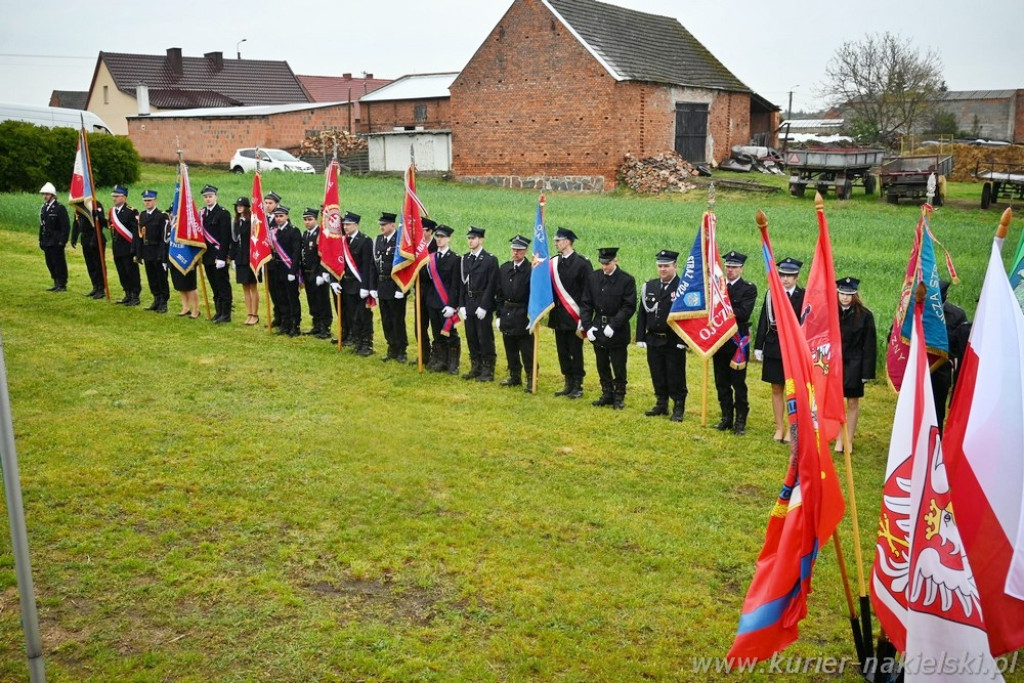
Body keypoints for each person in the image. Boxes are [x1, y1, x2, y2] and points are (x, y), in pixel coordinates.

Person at [754, 257, 805, 443]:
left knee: (795, 390)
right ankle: (779, 427)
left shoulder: (804, 295)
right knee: (776, 387)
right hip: (775, 345)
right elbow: (763, 321)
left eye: (790, 276)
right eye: (782, 275)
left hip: (795, 348)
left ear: (797, 277)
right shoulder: (772, 294)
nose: (786, 279)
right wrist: (759, 345)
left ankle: (794, 428)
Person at [580, 247, 637, 409]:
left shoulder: (626, 280)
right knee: (601, 363)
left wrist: (614, 325)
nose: (605, 267)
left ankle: (619, 396)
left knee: (618, 364)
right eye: (602, 263)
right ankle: (607, 393)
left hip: (617, 329)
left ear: (615, 261)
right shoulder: (593, 278)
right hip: (598, 326)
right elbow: (586, 303)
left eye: (608, 263)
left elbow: (628, 306)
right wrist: (588, 326)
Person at [636, 249, 687, 421]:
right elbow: (642, 313)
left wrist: (683, 340)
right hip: (653, 338)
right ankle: (661, 403)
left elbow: (688, 317)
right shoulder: (649, 286)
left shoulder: (682, 288)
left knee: (675, 375)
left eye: (666, 266)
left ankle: (678, 406)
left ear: (675, 266)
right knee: (657, 372)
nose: (663, 269)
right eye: (660, 266)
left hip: (673, 340)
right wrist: (640, 337)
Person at [713, 250, 758, 435]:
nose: (730, 270)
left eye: (734, 267)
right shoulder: (717, 287)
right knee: (721, 381)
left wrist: (723, 309)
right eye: (728, 266)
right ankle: (726, 417)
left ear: (741, 268)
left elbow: (743, 313)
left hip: (737, 341)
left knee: (738, 383)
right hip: (719, 340)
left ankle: (740, 420)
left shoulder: (748, 288)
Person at [834, 277, 877, 452]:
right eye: (842, 293)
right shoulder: (830, 311)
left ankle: (848, 439)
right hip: (835, 364)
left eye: (849, 294)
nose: (845, 297)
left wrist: (866, 372)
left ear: (855, 295)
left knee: (852, 402)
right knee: (835, 403)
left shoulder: (865, 315)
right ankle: (838, 437)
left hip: (855, 364)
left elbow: (869, 345)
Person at [548, 228, 591, 398]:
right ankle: (568, 381)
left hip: (574, 316)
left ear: (567, 242)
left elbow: (587, 293)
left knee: (575, 351)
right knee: (562, 351)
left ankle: (577, 385)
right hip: (559, 316)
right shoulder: (554, 262)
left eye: (558, 240)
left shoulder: (582, 264)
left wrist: (584, 318)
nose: (556, 243)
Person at [459, 226, 500, 382]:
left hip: (482, 301)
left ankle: (488, 370)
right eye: (469, 238)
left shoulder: (490, 260)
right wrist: (461, 304)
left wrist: (484, 305)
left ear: (481, 240)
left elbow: (492, 285)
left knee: (485, 337)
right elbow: (462, 283)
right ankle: (475, 367)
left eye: (473, 238)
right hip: (469, 302)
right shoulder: (465, 259)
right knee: (471, 336)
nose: (470, 241)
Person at [333, 212, 376, 355]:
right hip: (346, 285)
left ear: (356, 225)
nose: (346, 227)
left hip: (360, 285)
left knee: (363, 315)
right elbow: (337, 263)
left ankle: (366, 344)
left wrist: (366, 287)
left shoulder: (365, 241)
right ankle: (357, 341)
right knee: (352, 315)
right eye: (344, 224)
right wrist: (335, 281)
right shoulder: (343, 241)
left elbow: (368, 266)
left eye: (349, 224)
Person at [931, 279, 972, 432]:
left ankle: (936, 443)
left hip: (941, 370)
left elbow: (962, 344)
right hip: (918, 370)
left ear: (946, 297)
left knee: (937, 410)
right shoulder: (916, 311)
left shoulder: (957, 315)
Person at [496, 234, 534, 391]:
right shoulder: (504, 268)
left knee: (527, 350)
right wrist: (499, 315)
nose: (515, 253)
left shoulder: (532, 270)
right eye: (513, 249)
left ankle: (531, 378)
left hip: (524, 313)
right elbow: (498, 294)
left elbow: (535, 295)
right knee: (510, 347)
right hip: (507, 312)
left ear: (525, 251)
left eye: (519, 250)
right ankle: (514, 376)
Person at [423, 224, 462, 374]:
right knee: (437, 333)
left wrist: (453, 305)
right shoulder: (430, 257)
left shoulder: (455, 259)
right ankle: (440, 360)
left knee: (450, 334)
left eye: (442, 237)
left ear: (449, 239)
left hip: (446, 302)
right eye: (437, 237)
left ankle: (453, 363)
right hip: (432, 300)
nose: (439, 239)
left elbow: (455, 284)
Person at [374, 212, 408, 362]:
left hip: (395, 286)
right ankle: (391, 346)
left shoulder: (400, 242)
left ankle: (401, 349)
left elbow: (405, 267)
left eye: (384, 225)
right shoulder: (379, 240)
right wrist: (373, 287)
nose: (381, 227)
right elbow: (373, 265)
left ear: (393, 225)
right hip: (382, 285)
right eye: (380, 225)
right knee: (386, 319)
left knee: (397, 319)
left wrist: (401, 289)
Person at [200, 185, 233, 323]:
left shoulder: (223, 213)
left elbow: (226, 238)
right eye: (206, 197)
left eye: (210, 196)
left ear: (215, 197)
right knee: (214, 285)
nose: (208, 199)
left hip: (218, 255)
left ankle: (226, 314)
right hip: (207, 255)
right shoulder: (202, 214)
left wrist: (222, 256)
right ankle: (218, 312)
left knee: (222, 285)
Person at [268, 205, 302, 336]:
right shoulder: (273, 231)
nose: (278, 219)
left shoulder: (294, 231)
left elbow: (296, 253)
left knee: (292, 298)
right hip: (277, 269)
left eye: (281, 216)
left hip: (289, 269)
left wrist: (293, 272)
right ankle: (285, 324)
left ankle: (295, 325)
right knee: (281, 298)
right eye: (276, 216)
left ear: (287, 216)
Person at [135, 189, 169, 313]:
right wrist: (138, 253)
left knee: (161, 277)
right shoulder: (143, 215)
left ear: (155, 200)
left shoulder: (161, 216)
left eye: (149, 200)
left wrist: (162, 254)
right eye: (145, 201)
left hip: (157, 250)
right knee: (151, 277)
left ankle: (163, 302)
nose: (147, 203)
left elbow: (164, 237)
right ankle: (156, 299)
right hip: (146, 250)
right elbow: (139, 235)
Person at [301, 207, 332, 339]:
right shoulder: (306, 234)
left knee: (322, 300)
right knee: (312, 299)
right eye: (305, 220)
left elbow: (325, 255)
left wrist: (322, 273)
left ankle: (325, 327)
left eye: (310, 219)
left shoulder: (321, 235)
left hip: (318, 273)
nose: (307, 222)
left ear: (316, 220)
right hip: (307, 273)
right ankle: (316, 325)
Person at [108, 185, 140, 305]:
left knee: (131, 272)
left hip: (128, 247)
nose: (114, 199)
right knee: (121, 271)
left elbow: (136, 232)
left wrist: (134, 248)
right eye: (113, 196)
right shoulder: (112, 211)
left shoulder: (131, 212)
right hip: (117, 247)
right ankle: (127, 293)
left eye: (117, 196)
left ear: (124, 197)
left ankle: (135, 295)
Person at [232, 197, 261, 326]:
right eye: (237, 205)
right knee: (245, 286)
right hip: (240, 258)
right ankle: (249, 313)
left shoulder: (252, 222)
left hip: (251, 257)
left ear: (247, 207)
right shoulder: (237, 222)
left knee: (253, 286)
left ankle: (255, 314)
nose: (239, 207)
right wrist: (232, 257)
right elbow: (234, 241)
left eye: (241, 205)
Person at [71, 199, 107, 299]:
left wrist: (94, 239)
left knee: (98, 264)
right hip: (85, 239)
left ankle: (101, 288)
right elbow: (76, 221)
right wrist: (74, 237)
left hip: (96, 238)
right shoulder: (79, 207)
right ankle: (95, 286)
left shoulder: (95, 204)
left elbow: (100, 223)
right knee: (90, 264)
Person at [38, 182, 70, 292]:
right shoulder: (44, 208)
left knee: (59, 262)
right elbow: (42, 225)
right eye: (44, 194)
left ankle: (62, 284)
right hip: (47, 240)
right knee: (50, 262)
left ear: (52, 195)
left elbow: (65, 226)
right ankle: (56, 281)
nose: (45, 196)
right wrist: (40, 240)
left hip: (56, 240)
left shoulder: (59, 208)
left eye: (47, 194)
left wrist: (63, 241)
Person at [416, 218, 438, 365]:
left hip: (434, 291)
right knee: (420, 325)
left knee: (436, 325)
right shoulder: (417, 247)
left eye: (422, 230)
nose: (419, 233)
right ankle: (423, 354)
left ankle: (438, 356)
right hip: (419, 289)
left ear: (430, 231)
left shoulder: (437, 247)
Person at [263, 191, 284, 328]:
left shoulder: (280, 219)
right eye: (266, 203)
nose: (268, 205)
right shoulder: (263, 219)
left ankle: (284, 318)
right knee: (272, 290)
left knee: (281, 291)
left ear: (277, 204)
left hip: (280, 261)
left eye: (270, 203)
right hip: (268, 261)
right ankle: (277, 317)